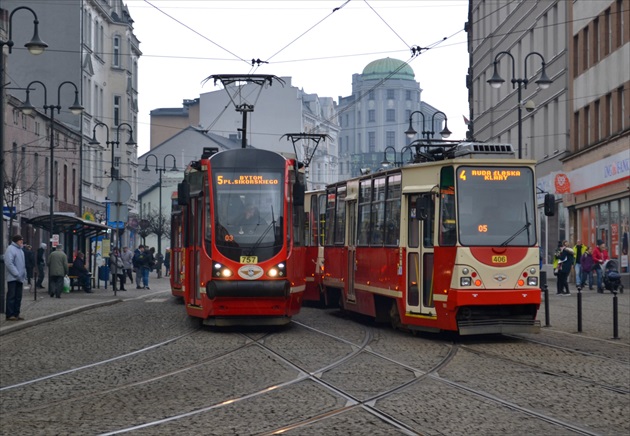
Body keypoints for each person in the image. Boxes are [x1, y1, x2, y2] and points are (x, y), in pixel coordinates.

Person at [5, 234, 27, 321]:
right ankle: (10, 314)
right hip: (13, 278)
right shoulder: (10, 249)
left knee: (18, 297)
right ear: (16, 241)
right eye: (20, 240)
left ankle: (16, 313)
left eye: (22, 240)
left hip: (20, 278)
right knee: (11, 296)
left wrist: (23, 274)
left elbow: (22, 264)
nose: (22, 241)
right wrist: (16, 274)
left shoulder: (20, 250)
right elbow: (9, 263)